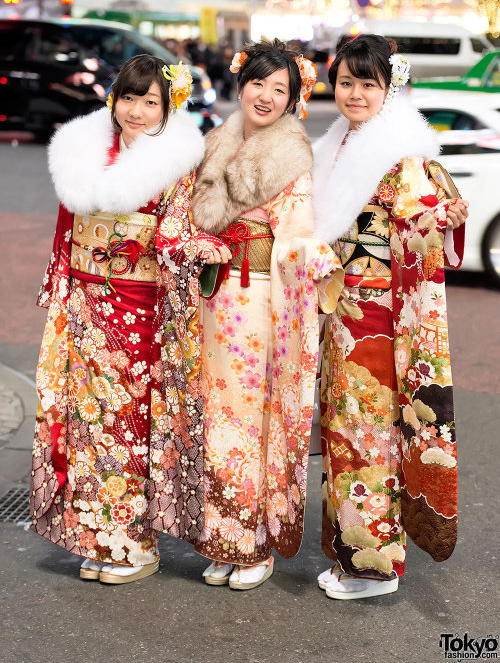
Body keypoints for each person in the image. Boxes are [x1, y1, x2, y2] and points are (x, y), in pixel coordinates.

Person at [30, 54, 229, 584]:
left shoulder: (177, 162)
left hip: (139, 308)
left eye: (150, 101)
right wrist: (62, 290)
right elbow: (66, 232)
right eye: (128, 97)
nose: (136, 111)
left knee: (129, 423)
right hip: (87, 303)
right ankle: (94, 535)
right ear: (113, 99)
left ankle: (134, 543)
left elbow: (171, 233)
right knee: (89, 423)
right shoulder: (85, 150)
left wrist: (197, 247)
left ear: (168, 108)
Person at [313, 34, 468, 600]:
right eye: (346, 81)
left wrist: (435, 218)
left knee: (369, 438)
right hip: (342, 314)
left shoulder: (399, 153)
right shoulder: (341, 143)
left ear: (390, 89)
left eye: (367, 84)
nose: (354, 93)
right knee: (345, 432)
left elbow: (418, 223)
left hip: (375, 317)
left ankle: (375, 568)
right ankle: (357, 556)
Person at [190, 39, 343, 591]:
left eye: (280, 89)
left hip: (257, 303)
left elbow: (296, 236)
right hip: (212, 299)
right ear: (241, 83)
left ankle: (252, 540)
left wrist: (307, 255)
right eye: (258, 82)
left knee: (247, 419)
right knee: (211, 413)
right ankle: (218, 536)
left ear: (293, 101)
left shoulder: (291, 158)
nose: (266, 95)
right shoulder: (215, 144)